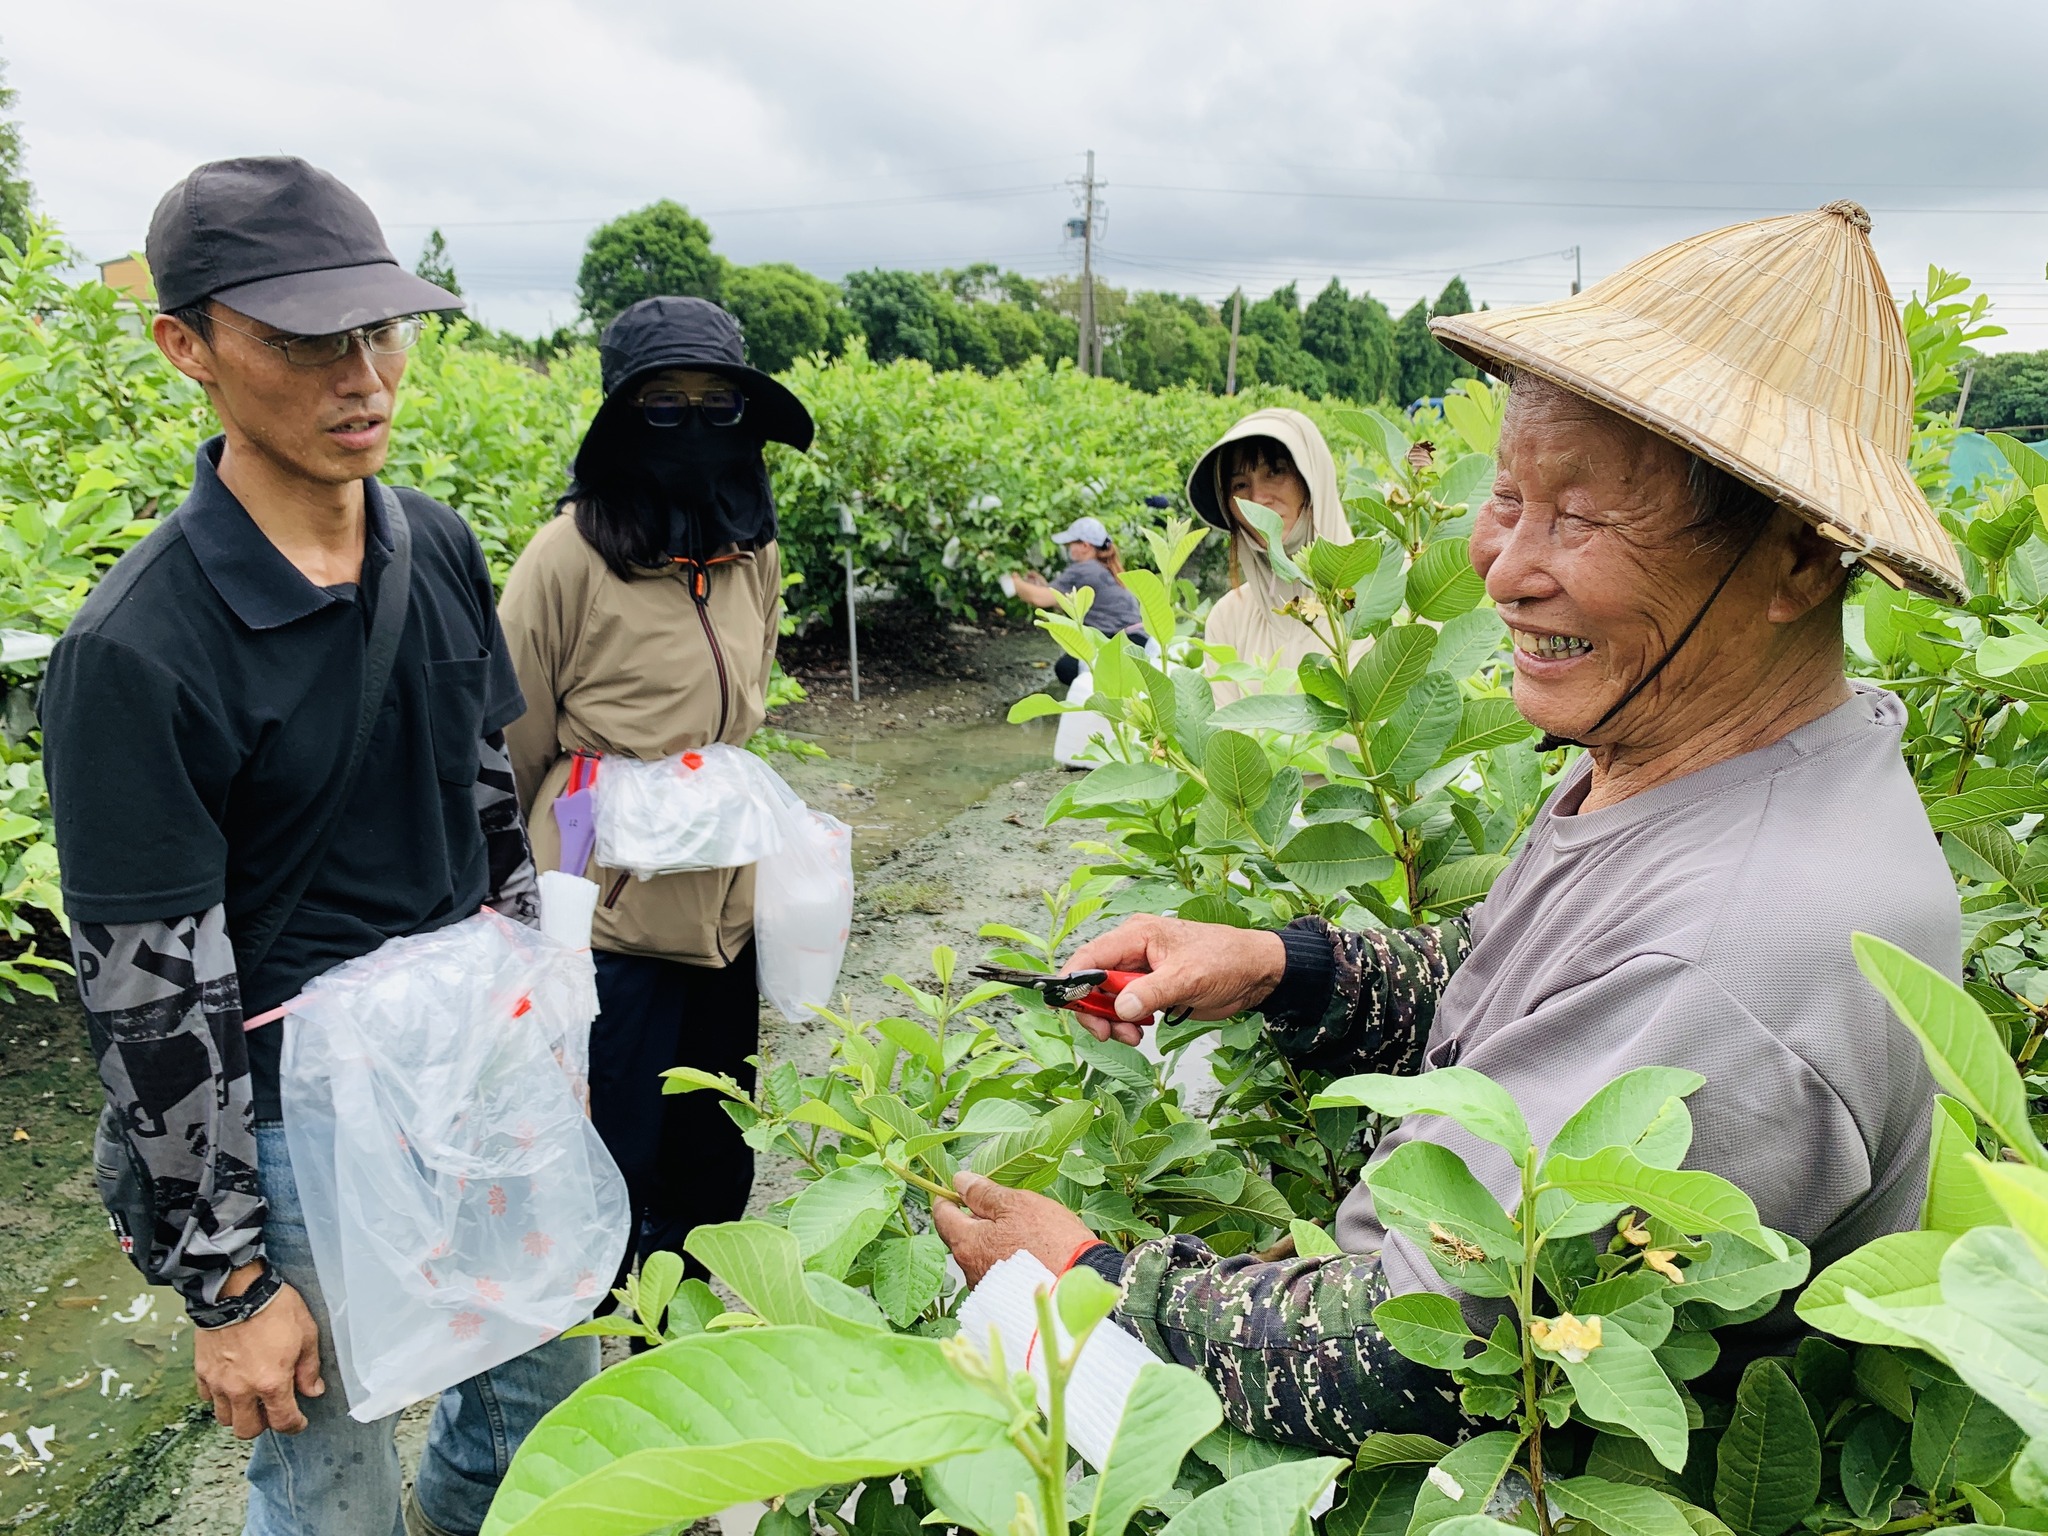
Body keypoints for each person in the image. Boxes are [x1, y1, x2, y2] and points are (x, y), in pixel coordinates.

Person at [935, 202, 1964, 1453]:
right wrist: (1278, 967)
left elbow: (1422, 1348)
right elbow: (1529, 984)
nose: (1500, 565)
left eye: (1579, 517)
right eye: (1506, 495)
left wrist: (1089, 1278)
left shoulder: (1740, 943)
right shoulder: (1694, 759)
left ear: (1798, 560)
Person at [38, 157, 591, 1536]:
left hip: (472, 1071)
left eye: (381, 330)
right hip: (291, 1129)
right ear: (188, 349)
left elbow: (489, 816)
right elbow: (148, 991)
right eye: (303, 341)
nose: (363, 377)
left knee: (545, 1419)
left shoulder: (437, 547)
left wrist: (540, 1038)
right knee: (330, 1483)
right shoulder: (137, 649)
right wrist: (229, 1283)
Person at [498, 296, 810, 1290]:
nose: (693, 428)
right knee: (609, 1138)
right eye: (663, 406)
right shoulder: (565, 559)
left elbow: (749, 688)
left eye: (718, 407)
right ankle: (600, 1317)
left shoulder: (751, 551)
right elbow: (513, 737)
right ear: (619, 422)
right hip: (607, 908)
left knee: (714, 1131)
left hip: (721, 897)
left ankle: (689, 1313)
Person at [1187, 408, 1354, 703]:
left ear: (1311, 479)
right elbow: (1226, 731)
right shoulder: (1228, 619)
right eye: (1240, 485)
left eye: (1275, 472)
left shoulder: (1384, 596)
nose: (1257, 499)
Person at [1008, 514, 1149, 684]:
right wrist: (1040, 585)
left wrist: (1013, 581)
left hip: (1121, 642)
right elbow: (1066, 600)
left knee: (1067, 668)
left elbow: (1038, 599)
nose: (1069, 548)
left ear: (1084, 546)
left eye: (1071, 544)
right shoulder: (1104, 567)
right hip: (1139, 641)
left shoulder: (1084, 569)